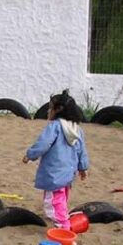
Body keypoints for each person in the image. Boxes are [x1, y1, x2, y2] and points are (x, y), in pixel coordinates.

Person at [22, 90, 89, 230]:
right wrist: (83, 167)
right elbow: (82, 150)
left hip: (54, 173)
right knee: (62, 198)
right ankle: (62, 218)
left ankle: (64, 227)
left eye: (50, 108)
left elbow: (44, 143)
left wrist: (30, 155)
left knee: (53, 202)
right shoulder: (77, 129)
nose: (48, 111)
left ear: (58, 110)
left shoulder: (55, 127)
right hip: (69, 173)